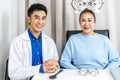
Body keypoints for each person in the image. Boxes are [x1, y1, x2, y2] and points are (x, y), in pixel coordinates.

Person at [8, 3, 59, 80]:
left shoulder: (49, 41)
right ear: (29, 19)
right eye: (36, 18)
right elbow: (13, 73)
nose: (40, 22)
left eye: (43, 18)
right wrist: (40, 68)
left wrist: (54, 66)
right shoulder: (17, 42)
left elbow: (56, 65)